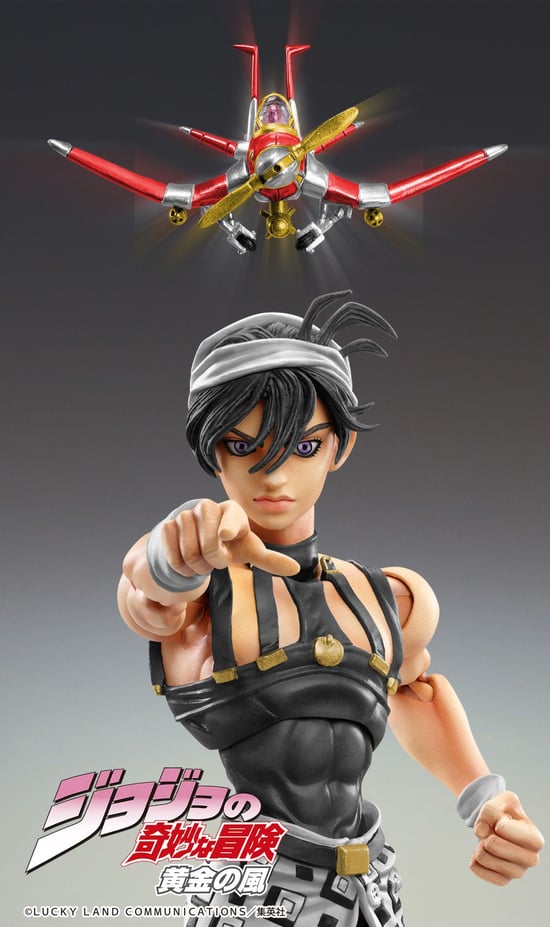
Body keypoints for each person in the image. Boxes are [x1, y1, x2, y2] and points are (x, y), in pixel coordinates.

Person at [118, 291, 543, 926]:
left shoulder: (387, 597)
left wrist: (485, 799)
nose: (274, 476)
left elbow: (416, 693)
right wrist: (181, 546)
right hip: (259, 888)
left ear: (339, 448)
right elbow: (149, 596)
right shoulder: (206, 596)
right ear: (212, 454)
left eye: (303, 447)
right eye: (242, 446)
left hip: (371, 880)